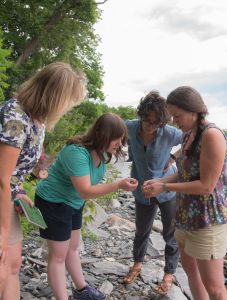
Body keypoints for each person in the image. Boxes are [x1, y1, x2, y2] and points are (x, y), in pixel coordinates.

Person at [0, 62, 86, 300]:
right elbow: (1, 177)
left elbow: (15, 172)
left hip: (9, 196)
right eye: (69, 102)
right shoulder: (15, 115)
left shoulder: (38, 121)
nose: (68, 109)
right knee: (2, 267)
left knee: (14, 264)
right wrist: (2, 230)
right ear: (56, 97)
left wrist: (17, 192)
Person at [34, 112, 138, 300]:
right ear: (102, 135)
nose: (119, 143)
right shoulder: (76, 152)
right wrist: (118, 185)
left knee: (72, 248)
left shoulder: (103, 153)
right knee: (58, 256)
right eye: (116, 138)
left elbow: (83, 193)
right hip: (53, 202)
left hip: (73, 202)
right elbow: (86, 191)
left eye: (122, 139)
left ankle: (82, 290)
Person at [143, 86, 227, 300]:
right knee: (192, 272)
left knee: (216, 289)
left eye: (177, 116)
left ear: (194, 110)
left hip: (208, 220)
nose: (174, 121)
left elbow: (206, 186)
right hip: (185, 217)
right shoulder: (188, 135)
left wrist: (164, 187)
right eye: (172, 116)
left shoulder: (212, 135)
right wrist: (160, 180)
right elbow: (183, 173)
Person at [123, 91, 182, 295]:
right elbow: (111, 133)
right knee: (141, 231)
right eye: (146, 120)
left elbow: (194, 138)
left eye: (156, 122)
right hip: (142, 191)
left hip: (168, 190)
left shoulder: (170, 133)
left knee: (170, 234)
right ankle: (137, 264)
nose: (150, 126)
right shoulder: (129, 127)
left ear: (162, 122)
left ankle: (169, 274)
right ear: (141, 115)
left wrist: (174, 156)